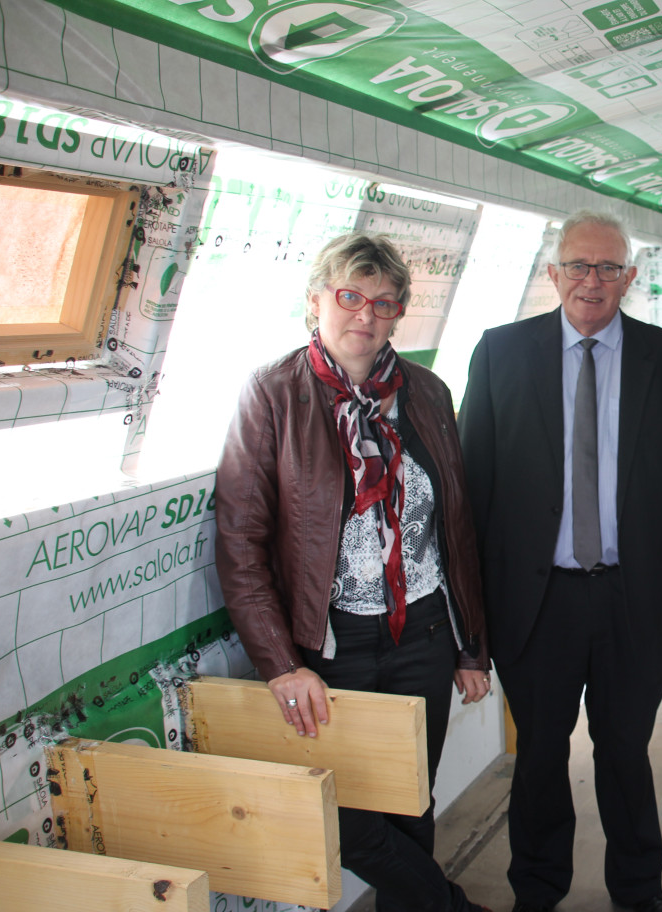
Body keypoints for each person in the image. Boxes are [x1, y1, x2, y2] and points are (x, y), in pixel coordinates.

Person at [214, 232, 492, 912]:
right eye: (349, 297)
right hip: (329, 648)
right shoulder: (273, 393)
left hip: (423, 635)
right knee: (346, 814)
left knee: (409, 804)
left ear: (399, 313)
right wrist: (281, 662)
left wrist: (469, 647)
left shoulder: (426, 391)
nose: (364, 316)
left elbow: (452, 529)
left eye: (383, 302)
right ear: (315, 300)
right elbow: (240, 540)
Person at [458, 210, 662, 912]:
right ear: (553, 273)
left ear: (630, 278)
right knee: (539, 755)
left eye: (610, 268)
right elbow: (472, 491)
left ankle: (639, 892)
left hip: (636, 597)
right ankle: (536, 891)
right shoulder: (499, 353)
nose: (592, 281)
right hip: (534, 601)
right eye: (578, 265)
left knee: (625, 753)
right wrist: (472, 616)